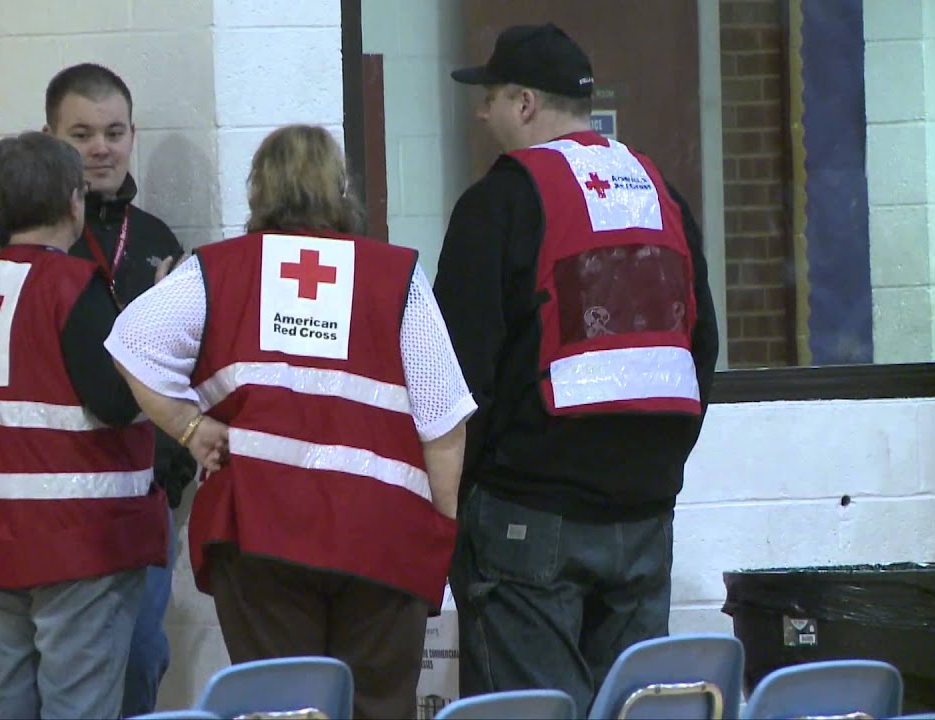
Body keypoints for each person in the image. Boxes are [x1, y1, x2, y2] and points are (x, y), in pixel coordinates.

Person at [105, 124, 477, 720]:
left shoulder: (216, 271)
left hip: (260, 531)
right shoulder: (396, 276)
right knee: (379, 707)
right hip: (383, 536)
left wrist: (188, 427)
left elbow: (130, 341)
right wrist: (439, 528)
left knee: (281, 709)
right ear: (340, 188)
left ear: (258, 191)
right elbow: (445, 422)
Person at [435, 23, 720, 715]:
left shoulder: (499, 201)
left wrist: (463, 498)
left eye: (492, 97)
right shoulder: (663, 195)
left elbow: (456, 372)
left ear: (525, 103)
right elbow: (700, 347)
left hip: (529, 512)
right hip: (647, 514)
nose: (481, 113)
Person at [0, 63, 191, 717]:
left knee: (107, 672)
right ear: (52, 139)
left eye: (114, 132)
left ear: (133, 135)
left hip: (107, 504)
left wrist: (166, 474)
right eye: (81, 133)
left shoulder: (152, 240)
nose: (100, 147)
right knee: (6, 682)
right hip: (11, 500)